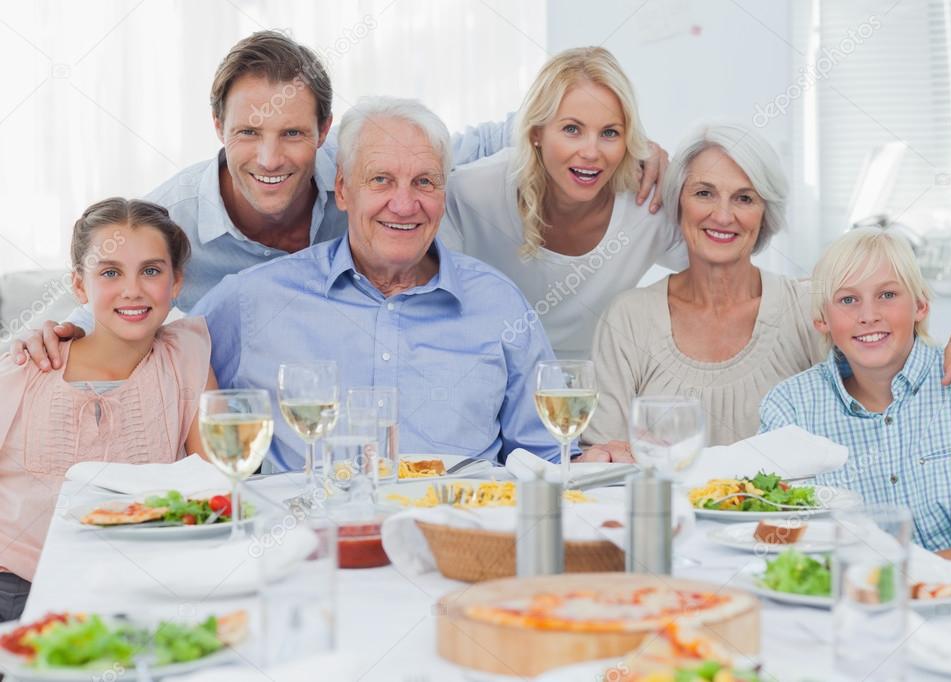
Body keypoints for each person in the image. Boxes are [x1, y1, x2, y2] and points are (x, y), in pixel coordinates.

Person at [20, 32, 651, 368]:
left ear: (323, 135)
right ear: (218, 130)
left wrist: (624, 144)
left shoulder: (366, 170)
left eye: (292, 133)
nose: (270, 160)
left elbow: (495, 134)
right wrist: (58, 330)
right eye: (248, 134)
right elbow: (95, 289)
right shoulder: (174, 217)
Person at [191, 97, 616, 470]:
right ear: (343, 190)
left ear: (443, 193)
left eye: (424, 182)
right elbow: (160, 373)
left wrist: (588, 463)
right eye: (381, 180)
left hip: (459, 540)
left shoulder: (498, 303)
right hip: (313, 543)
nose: (404, 204)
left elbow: (545, 458)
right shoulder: (254, 300)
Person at [585, 124, 951, 448]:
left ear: (765, 215)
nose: (723, 215)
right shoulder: (630, 319)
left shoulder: (812, 307)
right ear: (678, 202)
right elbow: (604, 459)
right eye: (704, 193)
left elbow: (906, 378)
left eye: (745, 198)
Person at [760, 228, 951, 597]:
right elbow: (782, 537)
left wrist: (913, 577)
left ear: (920, 306)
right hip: (862, 606)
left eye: (887, 294)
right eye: (848, 300)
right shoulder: (788, 409)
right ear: (822, 320)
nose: (868, 315)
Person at [0, 198, 216, 621]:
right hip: (20, 587)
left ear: (176, 283)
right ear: (80, 286)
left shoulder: (188, 355)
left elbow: (214, 489)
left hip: (141, 588)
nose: (132, 289)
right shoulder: (26, 366)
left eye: (151, 271)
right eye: (110, 272)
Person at [440, 46, 685, 359]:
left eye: (610, 132)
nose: (591, 151)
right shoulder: (472, 191)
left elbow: (716, 271)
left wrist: (685, 178)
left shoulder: (647, 205)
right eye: (572, 129)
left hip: (592, 393)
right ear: (536, 132)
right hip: (492, 382)